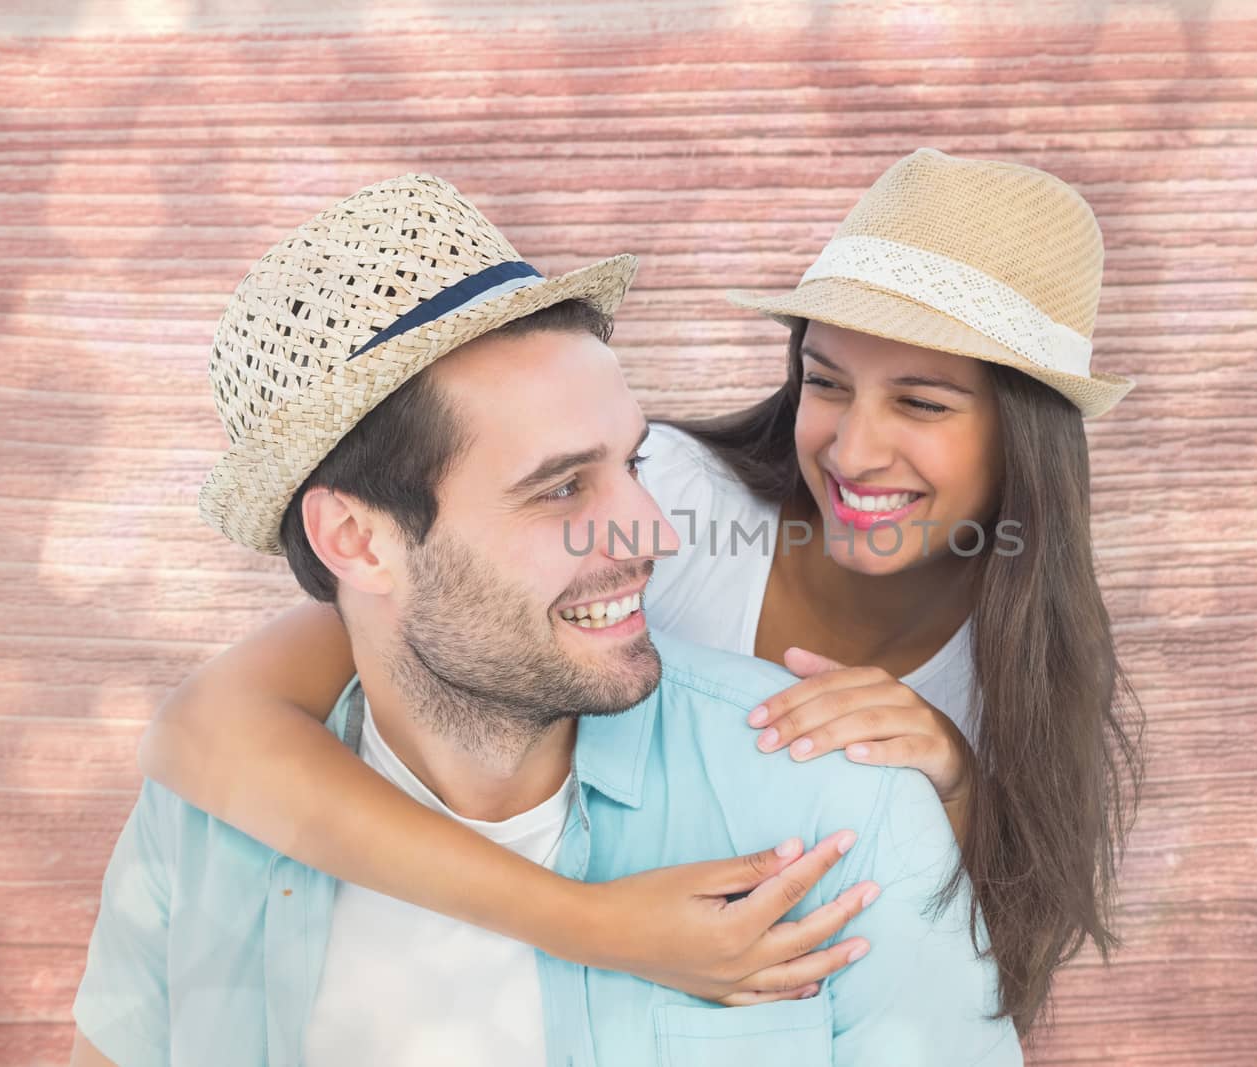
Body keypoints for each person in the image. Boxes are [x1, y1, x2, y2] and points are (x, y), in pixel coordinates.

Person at [138, 148, 1145, 1036]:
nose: (851, 446)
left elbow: (941, 982)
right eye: (825, 381)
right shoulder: (654, 490)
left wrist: (954, 787)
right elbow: (213, 725)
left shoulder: (1028, 652)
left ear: (1025, 434)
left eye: (922, 401)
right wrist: (584, 921)